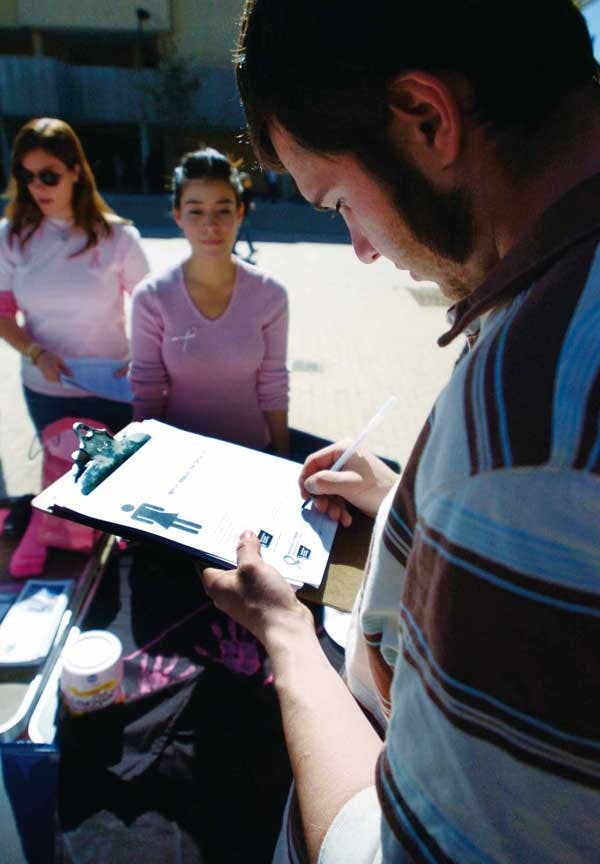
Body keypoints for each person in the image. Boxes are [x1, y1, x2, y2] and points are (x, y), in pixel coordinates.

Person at [199, 2, 600, 862]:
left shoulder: (537, 435)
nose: (362, 251)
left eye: (340, 200)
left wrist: (288, 639)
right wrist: (406, 508)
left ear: (426, 118)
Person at [0, 117, 150, 576]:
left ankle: (117, 557)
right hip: (46, 386)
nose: (36, 186)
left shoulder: (117, 236)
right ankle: (71, 559)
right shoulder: (11, 238)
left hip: (113, 387)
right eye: (27, 175)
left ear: (76, 172)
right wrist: (36, 353)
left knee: (115, 478)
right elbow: (4, 315)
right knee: (66, 478)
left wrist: (141, 361)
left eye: (48, 175)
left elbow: (152, 309)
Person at [129, 147, 289, 456]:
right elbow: (147, 392)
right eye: (196, 210)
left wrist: (284, 460)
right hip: (176, 460)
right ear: (178, 215)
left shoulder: (271, 294)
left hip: (252, 456)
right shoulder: (151, 297)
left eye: (223, 209)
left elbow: (273, 384)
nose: (211, 225)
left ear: (240, 212)